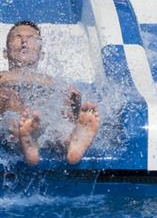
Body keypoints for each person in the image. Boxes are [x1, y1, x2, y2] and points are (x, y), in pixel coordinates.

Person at [0, 21, 99, 165]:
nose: (24, 41)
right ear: (5, 53)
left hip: (41, 119)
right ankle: (24, 137)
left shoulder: (53, 82)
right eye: (18, 37)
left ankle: (70, 141)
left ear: (41, 55)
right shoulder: (5, 76)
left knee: (61, 101)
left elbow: (70, 93)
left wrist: (73, 102)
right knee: (10, 97)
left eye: (31, 38)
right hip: (11, 119)